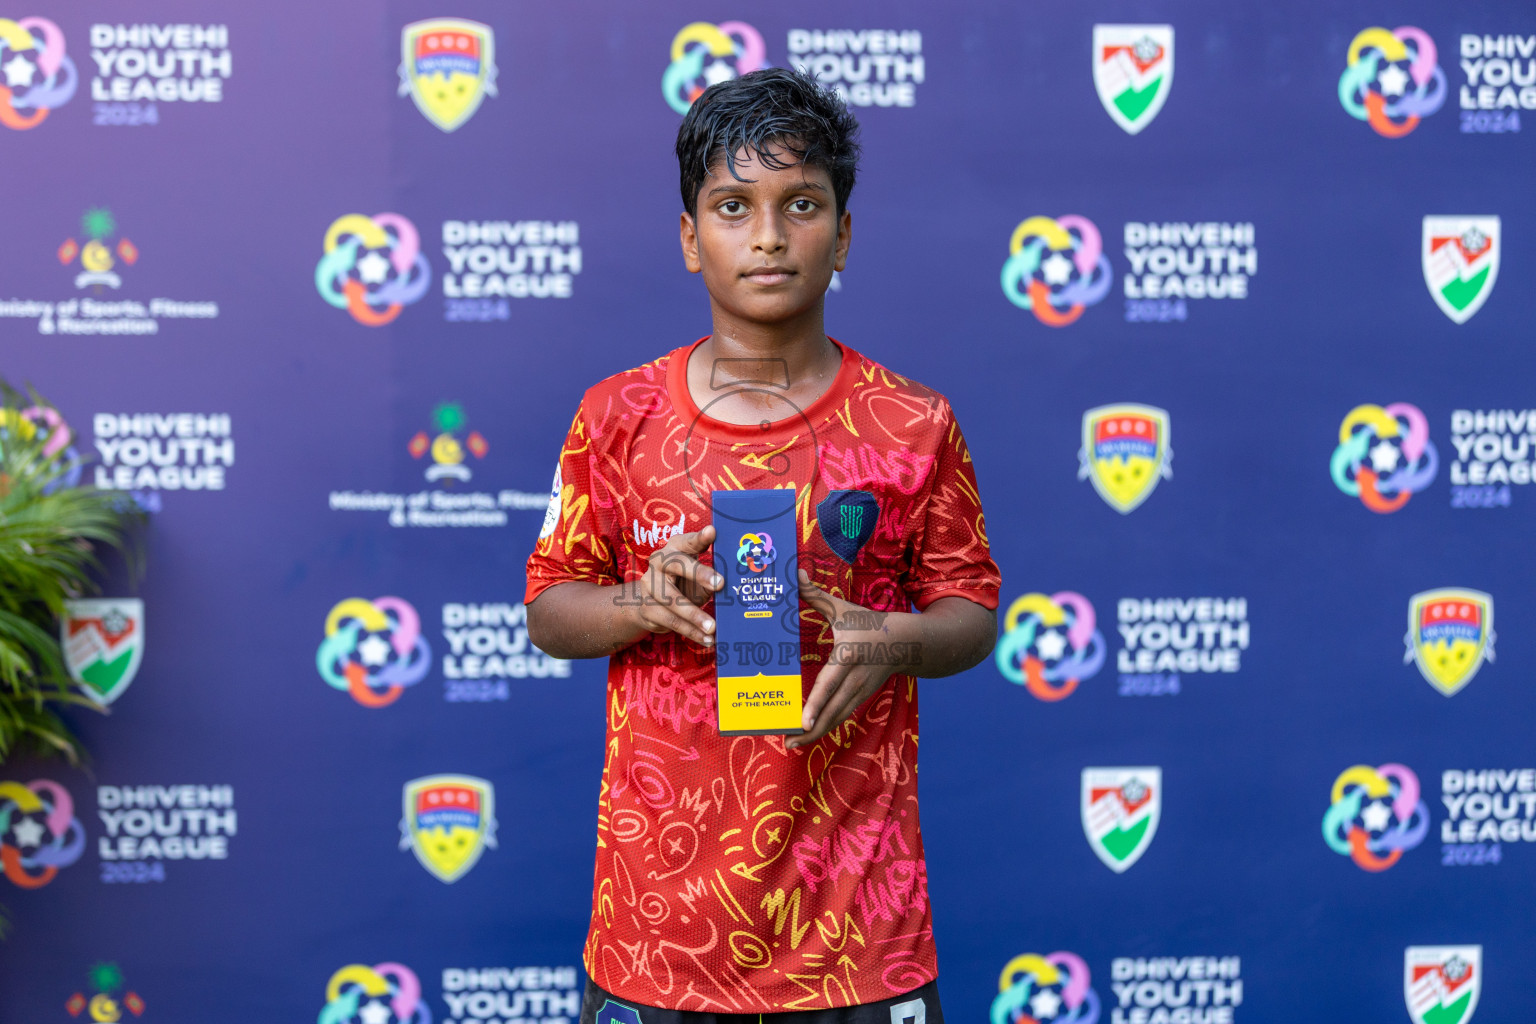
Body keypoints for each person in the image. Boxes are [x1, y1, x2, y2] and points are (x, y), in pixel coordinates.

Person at [526, 68, 1000, 1024]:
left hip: (860, 935)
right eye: (734, 207)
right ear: (692, 241)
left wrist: (894, 640)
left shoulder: (914, 421)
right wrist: (634, 605)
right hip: (656, 932)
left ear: (845, 235)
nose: (771, 236)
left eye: (802, 204)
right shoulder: (615, 416)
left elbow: (972, 614)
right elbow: (548, 609)